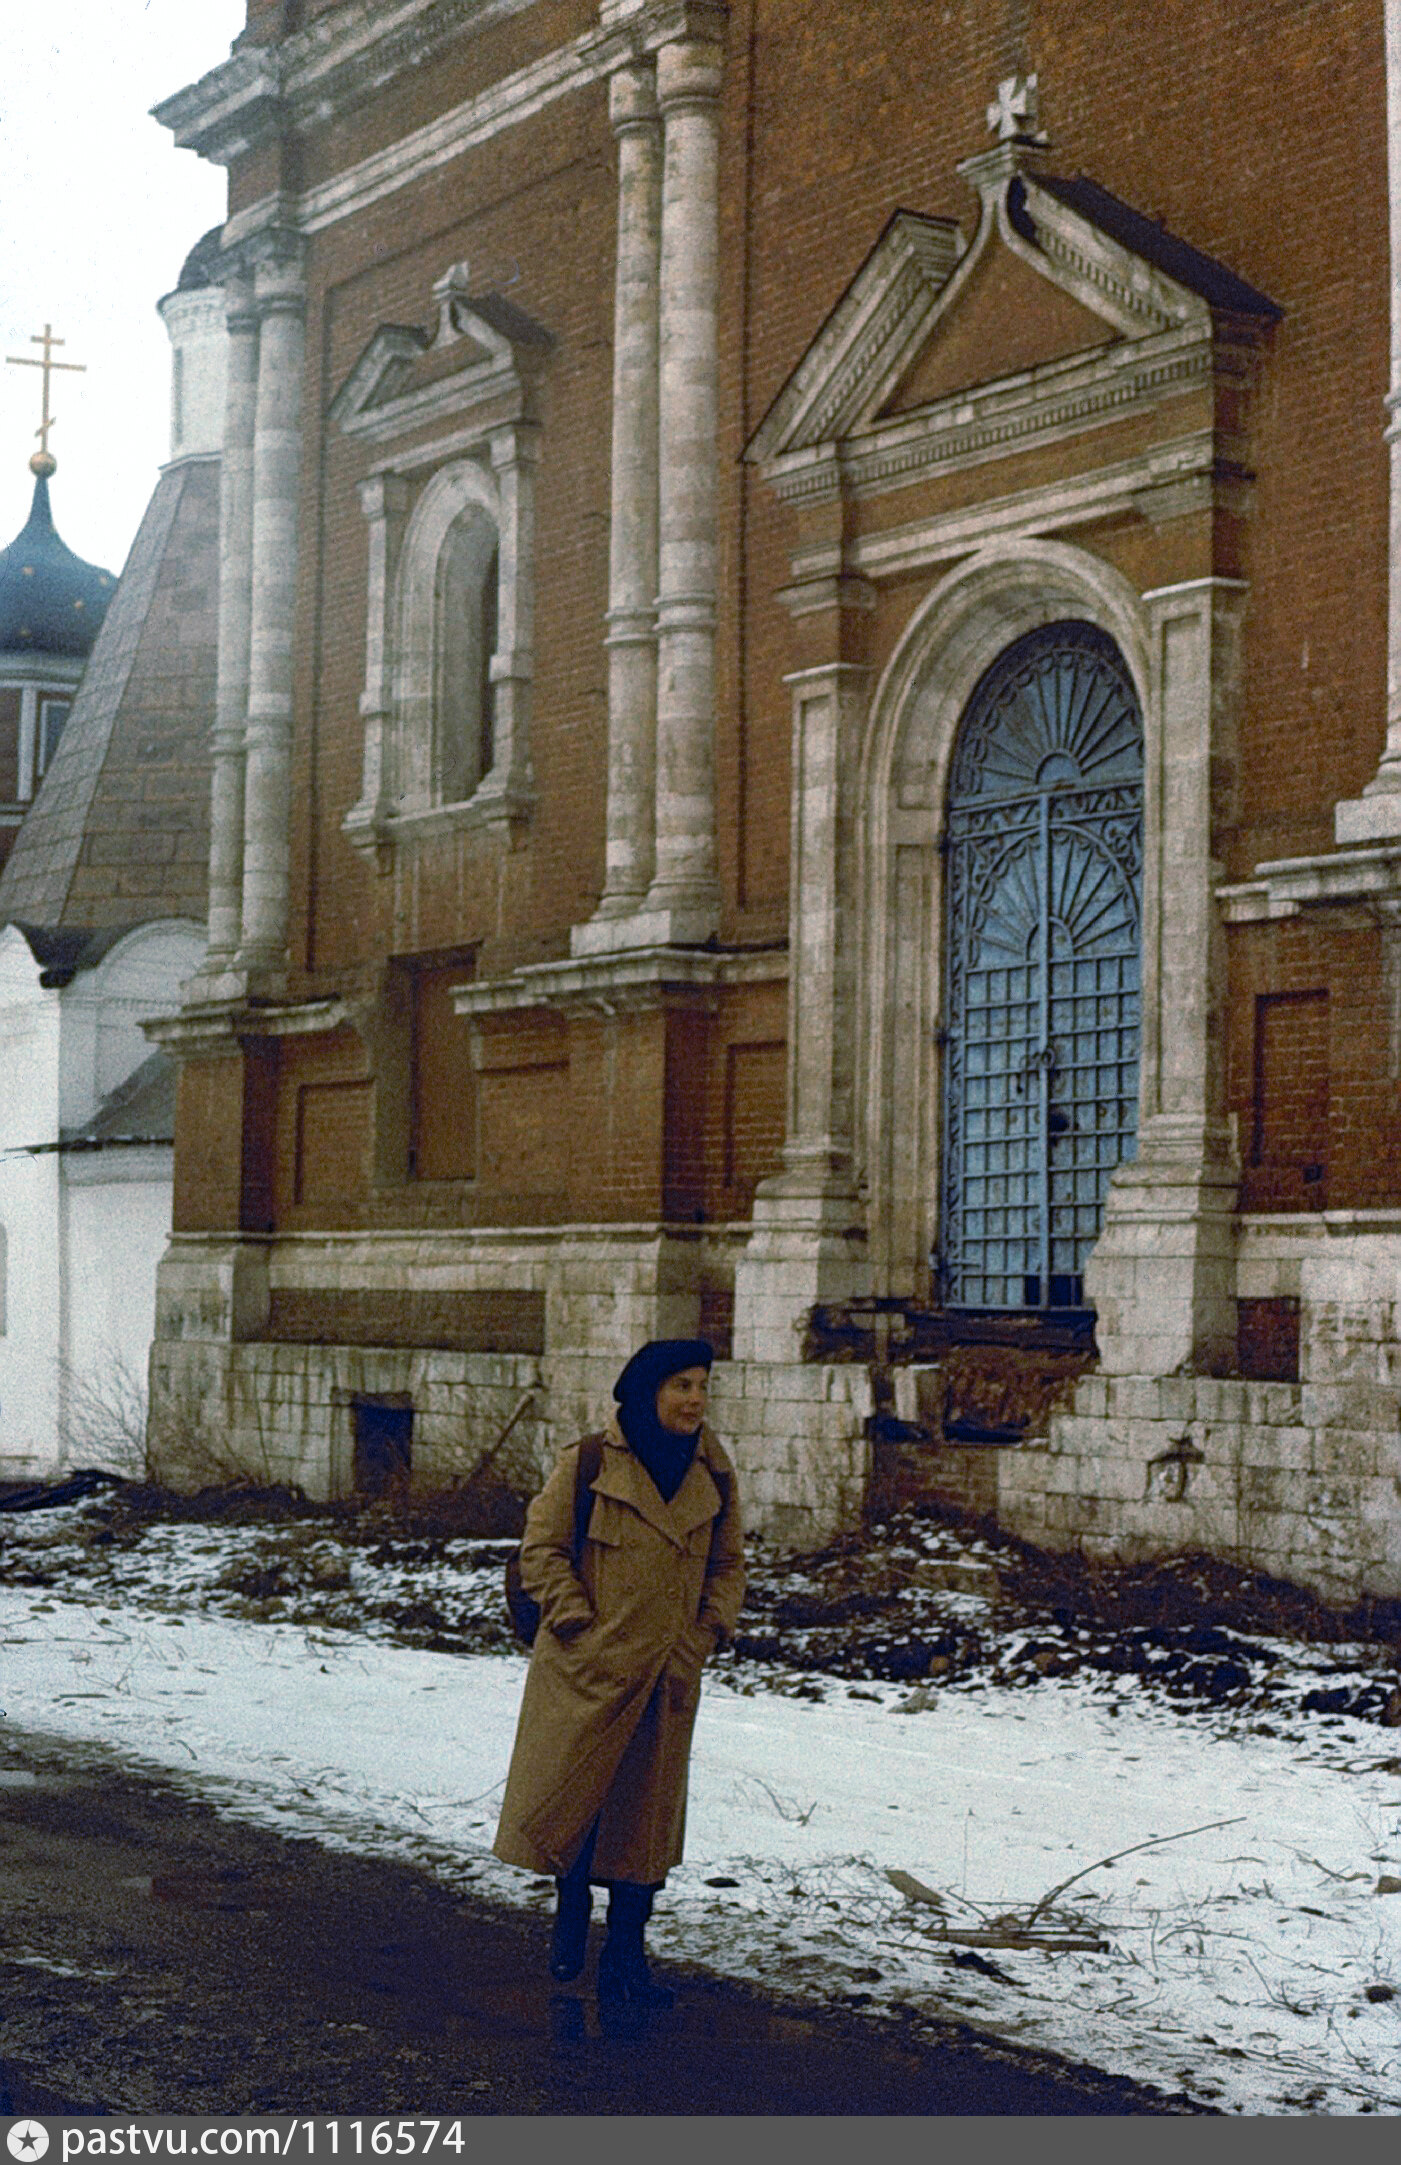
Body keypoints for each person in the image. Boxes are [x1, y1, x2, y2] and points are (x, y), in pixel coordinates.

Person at [494, 1337, 744, 2009]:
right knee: (578, 1802)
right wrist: (577, 1621)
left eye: (702, 1386)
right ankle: (571, 1910)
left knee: (646, 1824)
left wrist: (704, 1634)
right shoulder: (589, 1462)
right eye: (681, 1386)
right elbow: (541, 1549)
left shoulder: (713, 1472)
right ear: (646, 1391)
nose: (695, 1399)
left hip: (666, 1674)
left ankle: (626, 1956)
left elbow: (728, 1567)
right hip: (589, 1669)